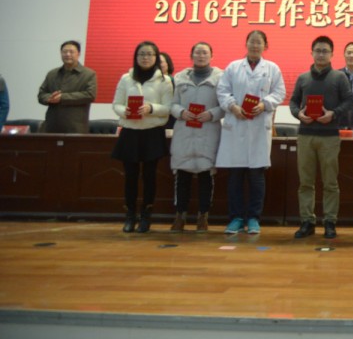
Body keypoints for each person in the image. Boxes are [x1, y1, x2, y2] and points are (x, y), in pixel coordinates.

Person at [216, 30, 286, 235]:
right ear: (246, 44)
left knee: (257, 175)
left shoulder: (272, 68)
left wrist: (265, 104)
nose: (255, 46)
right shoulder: (233, 67)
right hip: (236, 124)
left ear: (265, 46)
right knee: (235, 176)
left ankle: (254, 218)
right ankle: (236, 218)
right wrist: (233, 106)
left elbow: (279, 92)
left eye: (259, 42)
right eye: (252, 42)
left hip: (258, 125)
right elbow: (222, 91)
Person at [289, 35, 353, 240]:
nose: (321, 54)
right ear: (311, 52)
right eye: (317, 50)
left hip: (329, 137)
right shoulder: (303, 78)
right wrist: (299, 114)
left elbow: (349, 101)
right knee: (305, 182)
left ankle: (330, 222)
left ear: (332, 54)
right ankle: (307, 222)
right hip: (305, 136)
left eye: (325, 51)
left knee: (330, 182)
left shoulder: (339, 77)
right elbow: (293, 102)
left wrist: (333, 114)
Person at [111, 41, 173, 233]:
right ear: (136, 57)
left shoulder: (164, 80)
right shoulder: (126, 78)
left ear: (156, 58)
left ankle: (146, 216)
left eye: (150, 54)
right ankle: (130, 215)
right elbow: (116, 104)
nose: (145, 57)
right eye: (142, 54)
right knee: (130, 176)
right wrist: (126, 111)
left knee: (149, 176)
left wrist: (151, 108)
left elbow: (168, 108)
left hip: (152, 133)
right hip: (130, 132)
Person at [169, 42, 224, 232]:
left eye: (205, 53)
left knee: (206, 176)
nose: (201, 56)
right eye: (197, 52)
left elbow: (225, 105)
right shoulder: (180, 78)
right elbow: (172, 104)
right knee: (182, 176)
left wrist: (212, 114)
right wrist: (181, 112)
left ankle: (203, 216)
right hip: (184, 132)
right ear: (191, 55)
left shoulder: (221, 78)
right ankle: (180, 216)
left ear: (211, 56)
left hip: (208, 132)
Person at [38, 40, 97, 134]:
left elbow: (90, 95)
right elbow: (41, 94)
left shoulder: (88, 74)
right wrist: (49, 98)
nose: (67, 54)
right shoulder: (52, 74)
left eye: (71, 52)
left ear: (78, 54)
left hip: (76, 128)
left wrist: (62, 97)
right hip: (51, 126)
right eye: (64, 52)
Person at [159, 52, 177, 128]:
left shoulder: (174, 81)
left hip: (170, 120)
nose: (158, 65)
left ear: (168, 64)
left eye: (161, 62)